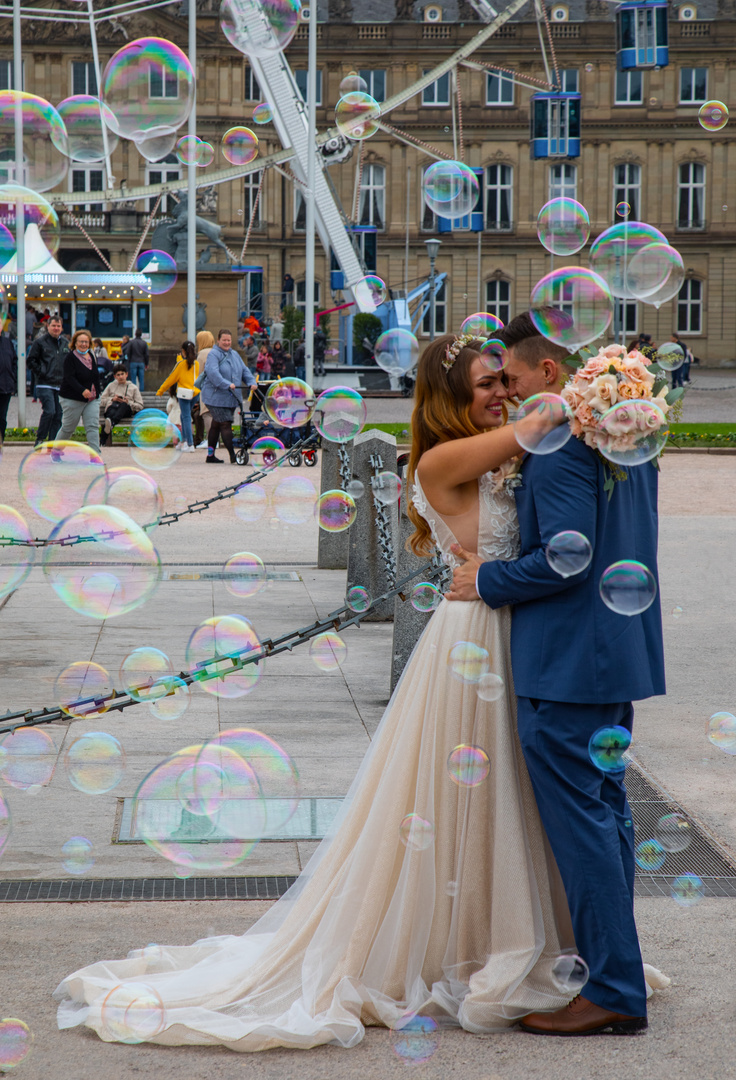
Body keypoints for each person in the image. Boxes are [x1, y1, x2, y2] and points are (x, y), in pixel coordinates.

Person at [55, 332, 589, 1050]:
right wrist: (600, 391)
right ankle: (482, 944)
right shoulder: (439, 460)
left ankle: (512, 930)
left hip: (509, 632)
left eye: (503, 381)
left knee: (508, 797)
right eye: (486, 384)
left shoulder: (496, 453)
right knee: (472, 798)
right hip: (474, 639)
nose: (501, 393)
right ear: (450, 398)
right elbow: (537, 425)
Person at [448, 312, 665, 1036]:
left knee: (584, 828)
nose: (504, 392)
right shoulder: (621, 435)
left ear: (548, 373)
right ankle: (616, 970)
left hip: (567, 662)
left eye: (509, 377)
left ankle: (611, 989)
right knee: (609, 815)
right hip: (614, 651)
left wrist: (487, 579)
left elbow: (566, 557)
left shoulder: (563, 445)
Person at [201, 328, 255, 464]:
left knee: (216, 425)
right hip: (214, 397)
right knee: (225, 423)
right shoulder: (213, 354)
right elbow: (213, 373)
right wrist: (226, 384)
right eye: (224, 340)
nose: (226, 342)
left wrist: (251, 382)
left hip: (231, 397)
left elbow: (244, 370)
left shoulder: (235, 354)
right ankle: (233, 455)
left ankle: (210, 455)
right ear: (218, 340)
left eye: (229, 340)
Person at [57, 329, 102, 452]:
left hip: (92, 399)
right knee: (68, 428)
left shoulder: (91, 355)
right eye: (81, 341)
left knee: (92, 427)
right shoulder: (70, 358)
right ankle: (56, 451)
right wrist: (82, 390)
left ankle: (95, 456)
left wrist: (97, 392)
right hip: (72, 398)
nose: (84, 344)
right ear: (75, 343)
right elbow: (69, 378)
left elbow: (95, 375)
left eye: (86, 342)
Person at [27, 314, 69, 445]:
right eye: (53, 326)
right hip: (45, 384)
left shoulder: (65, 343)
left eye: (58, 326)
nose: (56, 328)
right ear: (48, 326)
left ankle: (53, 443)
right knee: (50, 411)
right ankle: (40, 439)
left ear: (62, 328)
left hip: (61, 385)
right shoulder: (39, 342)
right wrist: (41, 372)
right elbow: (31, 361)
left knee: (58, 415)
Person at [156, 341, 200, 453]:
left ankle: (189, 444)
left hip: (184, 394)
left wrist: (161, 390)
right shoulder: (196, 364)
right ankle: (183, 442)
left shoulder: (180, 365)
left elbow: (171, 378)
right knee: (184, 416)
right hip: (194, 393)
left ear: (183, 351)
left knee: (185, 417)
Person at [98, 364, 144, 445]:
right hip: (112, 408)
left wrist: (128, 402)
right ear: (115, 376)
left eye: (122, 374)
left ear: (126, 374)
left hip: (126, 410)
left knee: (123, 405)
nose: (120, 377)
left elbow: (140, 405)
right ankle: (111, 424)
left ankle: (104, 436)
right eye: (118, 375)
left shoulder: (133, 387)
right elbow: (101, 400)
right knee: (110, 414)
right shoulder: (111, 386)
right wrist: (112, 399)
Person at [194, 330, 215, 448]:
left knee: (206, 413)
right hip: (218, 387)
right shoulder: (216, 351)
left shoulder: (202, 353)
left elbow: (199, 372)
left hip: (207, 387)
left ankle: (210, 440)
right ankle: (215, 439)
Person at [0, 330, 17, 441]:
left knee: (2, 418)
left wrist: (13, 379)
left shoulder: (7, 342)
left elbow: (14, 362)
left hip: (5, 387)